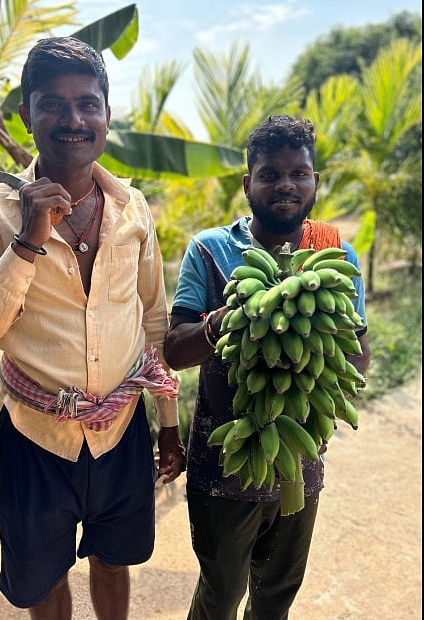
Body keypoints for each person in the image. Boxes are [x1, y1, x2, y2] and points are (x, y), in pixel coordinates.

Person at [0, 36, 186, 620]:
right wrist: (27, 241)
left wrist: (169, 424)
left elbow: (152, 320)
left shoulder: (133, 208)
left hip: (122, 429)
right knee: (44, 579)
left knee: (114, 560)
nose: (74, 120)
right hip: (35, 438)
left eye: (87, 103)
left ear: (106, 113)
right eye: (53, 104)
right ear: (27, 115)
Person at [162, 114, 372, 620]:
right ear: (247, 183)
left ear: (315, 181)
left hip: (301, 457)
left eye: (298, 174)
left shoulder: (333, 253)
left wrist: (316, 343)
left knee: (276, 597)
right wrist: (224, 321)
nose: (286, 185)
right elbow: (174, 350)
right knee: (219, 596)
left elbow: (359, 355)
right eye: (270, 174)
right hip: (224, 462)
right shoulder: (211, 250)